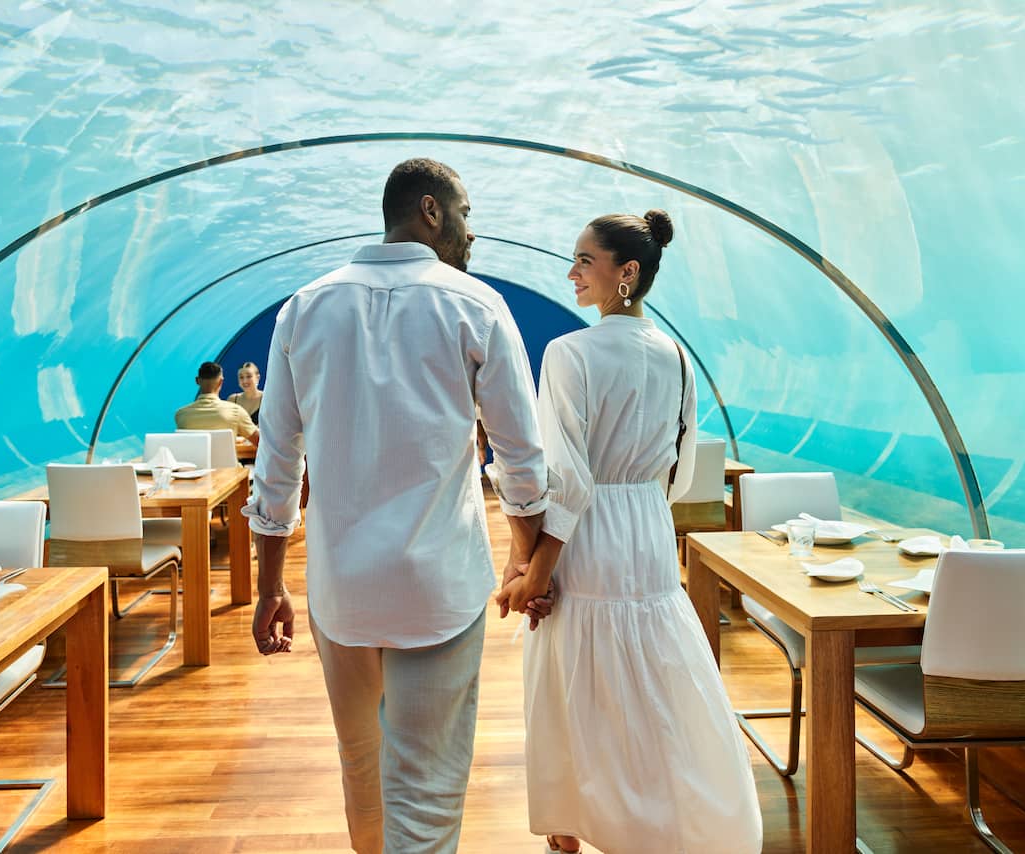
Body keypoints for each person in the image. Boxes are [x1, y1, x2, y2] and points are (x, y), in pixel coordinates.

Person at [244, 158, 553, 854]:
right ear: (431, 210)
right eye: (466, 213)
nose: (472, 231)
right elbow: (521, 463)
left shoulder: (306, 307)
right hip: (437, 585)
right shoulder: (474, 305)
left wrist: (269, 587)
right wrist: (533, 562)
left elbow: (277, 465)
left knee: (361, 761)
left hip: (341, 590)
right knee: (428, 785)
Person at [497, 211, 763, 854]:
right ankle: (674, 821)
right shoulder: (675, 355)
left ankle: (571, 828)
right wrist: (640, 500)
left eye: (584, 260)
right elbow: (677, 470)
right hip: (647, 524)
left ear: (627, 272)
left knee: (575, 679)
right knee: (655, 678)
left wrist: (533, 571)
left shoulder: (568, 353)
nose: (571, 273)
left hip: (586, 539)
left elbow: (566, 480)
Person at [174, 361, 259, 449]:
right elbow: (260, 442)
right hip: (227, 463)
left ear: (197, 381)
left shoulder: (181, 415)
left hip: (196, 463)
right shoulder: (235, 412)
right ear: (221, 382)